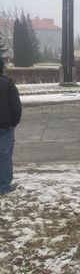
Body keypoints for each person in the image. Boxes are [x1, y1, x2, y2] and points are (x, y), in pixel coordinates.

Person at [0, 59, 22, 194]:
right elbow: (16, 108)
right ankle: (3, 186)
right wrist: (13, 122)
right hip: (5, 126)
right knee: (4, 156)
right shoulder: (8, 84)